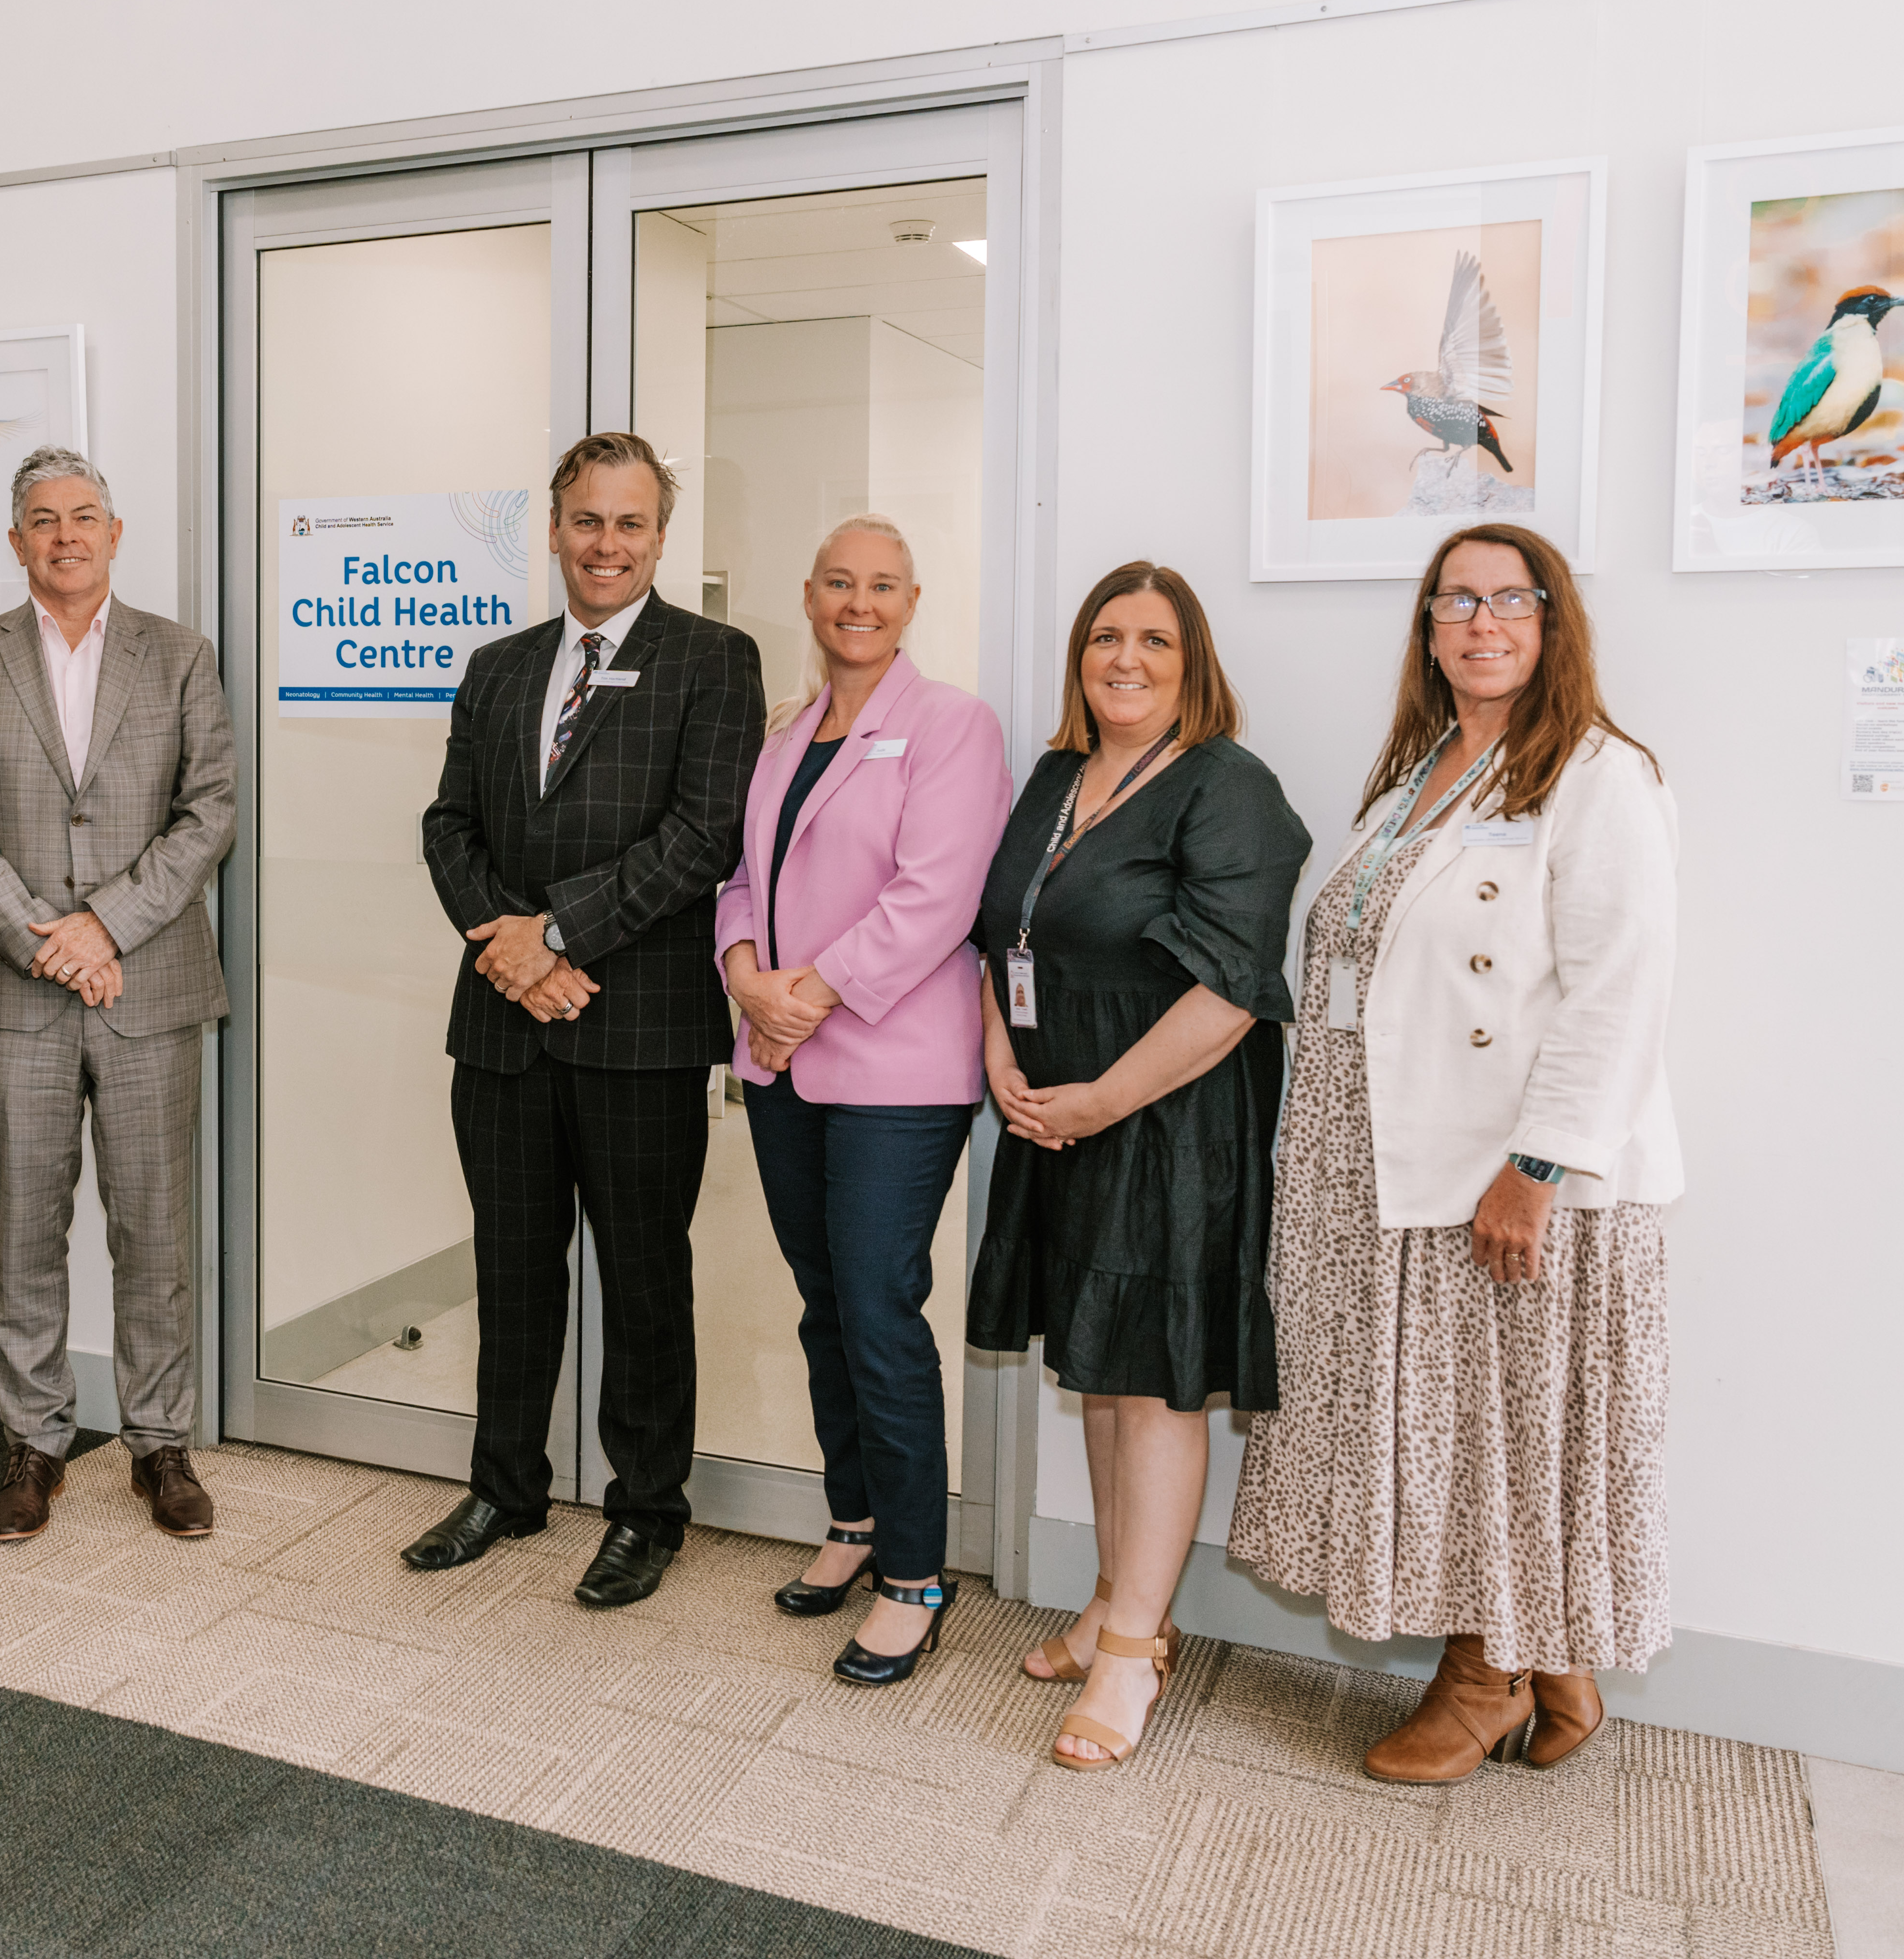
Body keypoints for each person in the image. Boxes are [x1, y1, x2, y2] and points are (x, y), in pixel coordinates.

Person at [1227, 522, 1678, 1782]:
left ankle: (1486, 1673)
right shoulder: (1420, 769)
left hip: (1509, 1176)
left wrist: (1536, 1166)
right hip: (1389, 1165)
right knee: (1457, 1429)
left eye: (1506, 599)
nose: (1479, 622)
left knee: (1497, 1431)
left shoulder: (1596, 774)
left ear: (1551, 620)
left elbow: (1620, 988)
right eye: (1452, 602)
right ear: (1427, 629)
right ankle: (1548, 1658)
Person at [405, 432, 766, 1610]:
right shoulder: (499, 666)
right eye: (587, 521)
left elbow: (702, 838)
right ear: (551, 529)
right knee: (510, 1271)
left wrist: (550, 934)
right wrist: (508, 955)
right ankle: (505, 1486)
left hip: (642, 1030)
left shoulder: (714, 660)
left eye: (630, 523)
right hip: (503, 1030)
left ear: (660, 537)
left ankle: (646, 1509)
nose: (606, 544)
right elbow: (447, 825)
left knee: (645, 1279)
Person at [965, 559, 1307, 1769]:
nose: (1125, 658)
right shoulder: (1059, 774)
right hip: (1057, 1110)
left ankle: (1131, 1654)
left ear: (1192, 659)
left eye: (1154, 640)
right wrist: (1002, 1058)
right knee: (1100, 1370)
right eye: (1105, 636)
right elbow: (1000, 931)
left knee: (1156, 1380)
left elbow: (1231, 989)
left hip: (1167, 1119)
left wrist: (1102, 1097)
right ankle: (1119, 1601)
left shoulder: (1228, 786)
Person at [0, 447, 239, 1543]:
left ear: (115, 531)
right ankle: (33, 1442)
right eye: (44, 519)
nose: (66, 534)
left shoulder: (181, 654)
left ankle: (160, 1443)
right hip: (19, 993)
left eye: (85, 515)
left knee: (153, 1229)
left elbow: (209, 812)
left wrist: (106, 926)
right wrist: (52, 944)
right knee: (27, 1227)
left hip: (149, 984)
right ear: (16, 542)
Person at [714, 516, 1008, 1685]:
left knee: (880, 1311)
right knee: (821, 1299)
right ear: (808, 592)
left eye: (882, 584)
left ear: (912, 600)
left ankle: (914, 1576)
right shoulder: (787, 732)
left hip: (893, 1068)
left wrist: (809, 992)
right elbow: (742, 879)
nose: (859, 601)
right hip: (784, 1058)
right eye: (839, 581)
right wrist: (746, 976)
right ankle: (853, 1520)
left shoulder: (951, 726)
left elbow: (938, 895)